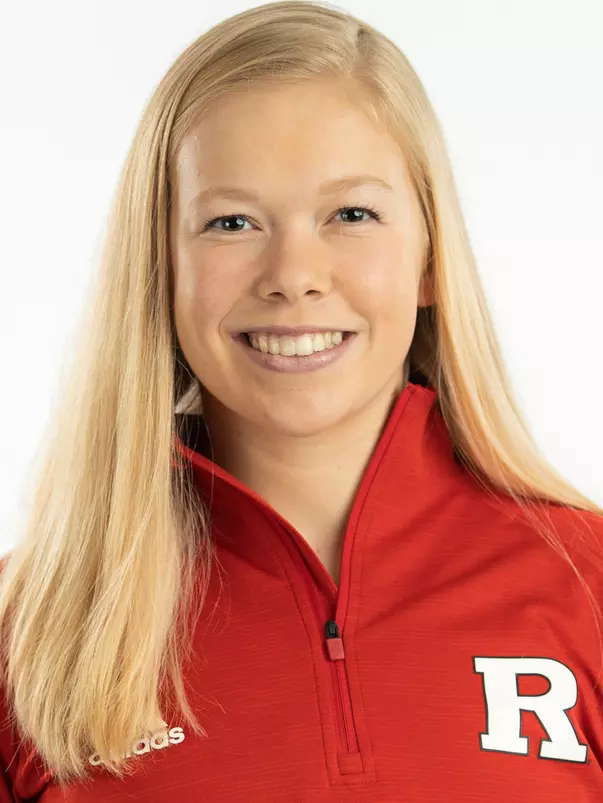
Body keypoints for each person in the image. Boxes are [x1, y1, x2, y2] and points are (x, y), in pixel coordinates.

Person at [1, 1, 602, 800]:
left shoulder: (583, 581)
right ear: (159, 269)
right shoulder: (31, 633)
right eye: (231, 221)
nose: (293, 272)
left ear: (430, 259)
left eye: (351, 213)